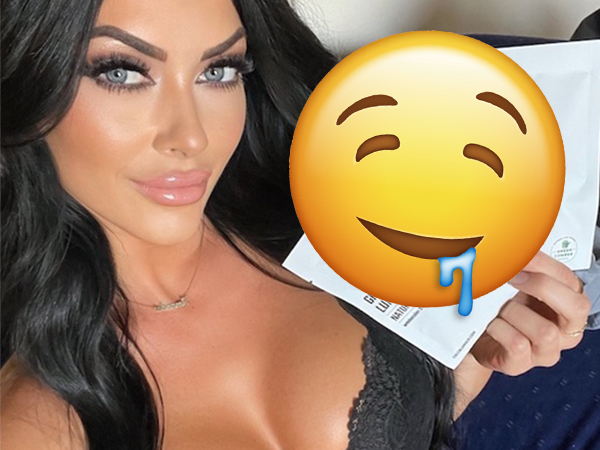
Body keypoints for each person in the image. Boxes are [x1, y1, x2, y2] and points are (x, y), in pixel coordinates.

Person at [0, 1, 592, 449]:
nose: (192, 137)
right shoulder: (36, 419)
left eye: (218, 71)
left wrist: (468, 353)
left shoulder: (308, 208)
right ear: (26, 78)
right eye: (123, 73)